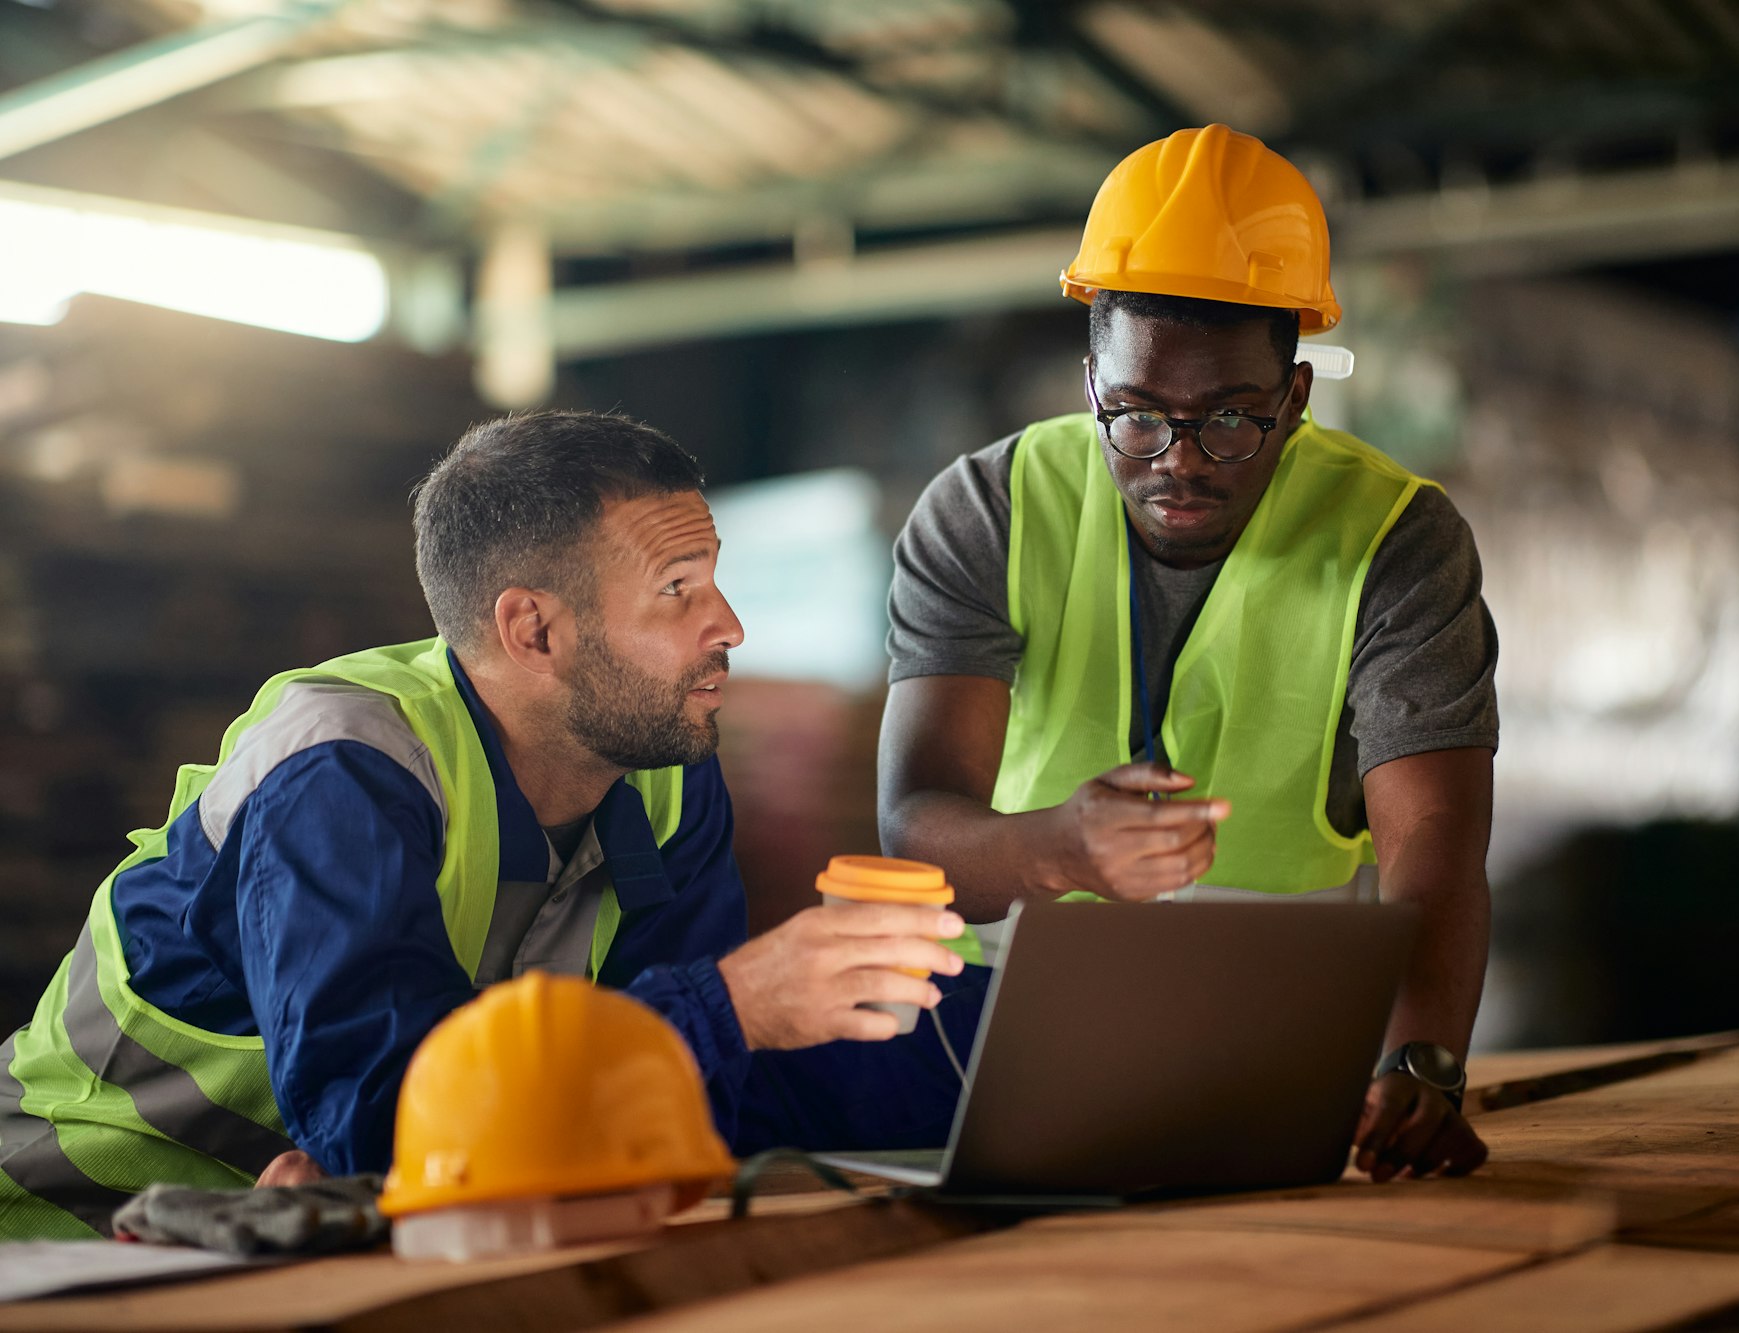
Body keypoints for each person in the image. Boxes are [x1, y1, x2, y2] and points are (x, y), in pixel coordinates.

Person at [0, 410, 966, 1238]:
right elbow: (381, 1124)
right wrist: (733, 1005)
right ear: (533, 630)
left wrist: (958, 1051)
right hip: (67, 1232)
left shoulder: (664, 775)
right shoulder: (340, 767)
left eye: (711, 577)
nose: (729, 625)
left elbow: (677, 1108)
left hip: (308, 1238)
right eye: (677, 588)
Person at [878, 125, 1498, 1181]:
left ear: (1293, 398)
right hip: (996, 1035)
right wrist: (1064, 848)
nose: (1176, 463)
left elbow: (1433, 832)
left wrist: (1420, 1055)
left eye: (1227, 420)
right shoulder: (985, 510)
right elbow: (913, 834)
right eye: (1135, 416)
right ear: (1089, 385)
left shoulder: (1394, 537)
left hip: (1286, 1041)